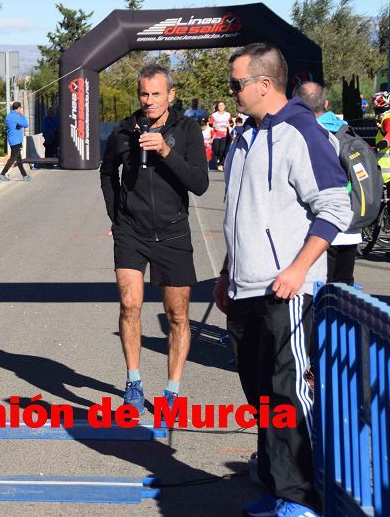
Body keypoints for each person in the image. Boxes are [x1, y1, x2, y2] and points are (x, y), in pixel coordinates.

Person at [215, 43, 351, 517]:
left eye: (236, 84)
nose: (231, 92)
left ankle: (301, 499)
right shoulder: (244, 135)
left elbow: (336, 206)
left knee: (288, 394)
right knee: (262, 397)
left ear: (264, 84)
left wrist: (298, 268)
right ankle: (278, 486)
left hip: (286, 289)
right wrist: (227, 270)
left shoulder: (300, 131)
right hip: (244, 287)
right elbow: (241, 212)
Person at [99, 64, 208, 415]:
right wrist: (116, 216)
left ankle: (172, 390)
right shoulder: (124, 131)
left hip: (173, 231)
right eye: (144, 94)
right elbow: (107, 173)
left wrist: (164, 151)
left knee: (177, 314)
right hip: (131, 230)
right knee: (130, 304)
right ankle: (133, 382)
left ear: (171, 95)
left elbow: (200, 184)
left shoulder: (188, 130)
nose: (149, 101)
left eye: (156, 94)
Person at [293, 81, 362, 285]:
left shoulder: (305, 133)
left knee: (321, 291)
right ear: (327, 104)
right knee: (343, 288)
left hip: (322, 230)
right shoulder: (346, 130)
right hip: (352, 225)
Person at [0, 102, 30, 182]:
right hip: (16, 140)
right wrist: (22, 115)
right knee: (13, 158)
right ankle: (2, 174)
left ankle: (24, 175)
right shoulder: (16, 116)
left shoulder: (9, 115)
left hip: (12, 139)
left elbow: (16, 125)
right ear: (18, 108)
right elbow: (26, 124)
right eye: (20, 109)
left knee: (19, 159)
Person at [208, 100, 232, 170]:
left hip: (225, 134)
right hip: (216, 134)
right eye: (219, 105)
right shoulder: (214, 115)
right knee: (216, 149)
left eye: (222, 105)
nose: (221, 107)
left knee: (222, 149)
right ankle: (217, 159)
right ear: (217, 107)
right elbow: (210, 123)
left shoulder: (228, 114)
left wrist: (229, 124)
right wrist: (214, 126)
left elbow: (231, 123)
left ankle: (220, 163)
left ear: (224, 107)